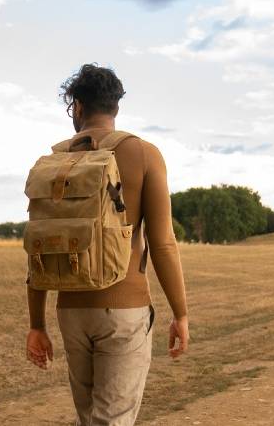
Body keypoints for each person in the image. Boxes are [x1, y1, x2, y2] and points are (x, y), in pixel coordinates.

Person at [26, 64, 190, 425]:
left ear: (79, 107)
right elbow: (163, 243)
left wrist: (36, 324)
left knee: (91, 419)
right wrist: (180, 313)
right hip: (124, 308)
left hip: (70, 310)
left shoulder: (56, 161)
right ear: (115, 106)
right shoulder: (145, 154)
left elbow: (38, 244)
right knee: (112, 419)